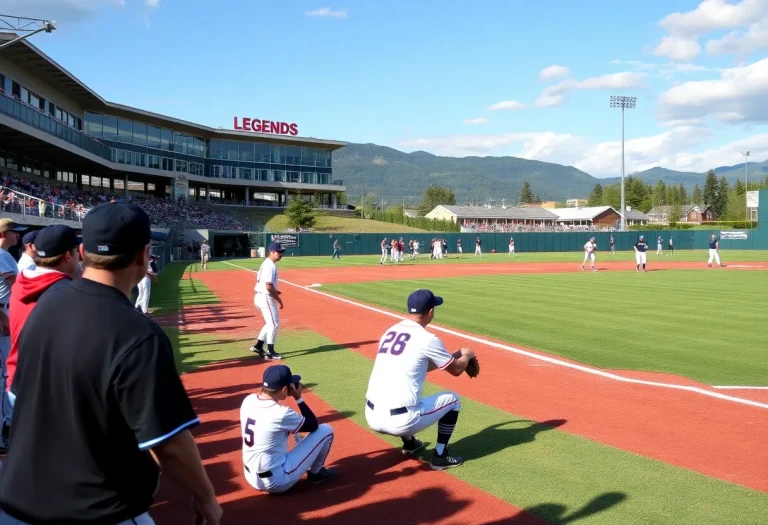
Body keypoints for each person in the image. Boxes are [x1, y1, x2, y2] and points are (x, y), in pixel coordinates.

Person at [0, 202, 222, 524]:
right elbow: (169, 445)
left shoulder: (44, 306)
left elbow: (19, 398)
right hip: (94, 509)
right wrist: (205, 497)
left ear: (82, 251)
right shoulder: (138, 333)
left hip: (13, 505)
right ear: (144, 256)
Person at [364, 289, 476, 470]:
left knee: (403, 392)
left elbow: (419, 366)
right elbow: (456, 370)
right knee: (453, 400)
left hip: (371, 416)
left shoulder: (390, 331)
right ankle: (441, 456)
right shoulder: (428, 339)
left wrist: (456, 355)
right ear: (431, 311)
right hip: (402, 422)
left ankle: (410, 444)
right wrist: (467, 355)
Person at [6, 224, 81, 432]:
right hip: (46, 389)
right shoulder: (67, 292)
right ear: (68, 256)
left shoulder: (21, 280)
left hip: (17, 381)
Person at [240, 364, 335, 493]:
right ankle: (316, 473)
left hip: (251, 477)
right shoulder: (281, 413)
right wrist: (298, 398)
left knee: (294, 434)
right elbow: (313, 425)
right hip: (276, 481)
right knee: (325, 430)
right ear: (285, 389)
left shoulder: (248, 401)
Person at [0, 219, 26, 452]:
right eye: (13, 232)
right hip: (4, 316)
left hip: (8, 313)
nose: (17, 236)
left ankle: (9, 425)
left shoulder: (5, 254)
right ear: (3, 234)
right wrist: (4, 318)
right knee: (9, 374)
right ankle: (7, 429)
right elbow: (15, 284)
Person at [250, 242, 286, 360]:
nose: (281, 254)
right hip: (265, 297)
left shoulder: (267, 264)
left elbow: (269, 286)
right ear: (272, 252)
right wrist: (279, 300)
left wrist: (275, 292)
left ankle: (258, 346)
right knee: (274, 324)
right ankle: (270, 352)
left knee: (269, 323)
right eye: (279, 252)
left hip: (260, 296)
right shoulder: (270, 265)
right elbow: (268, 286)